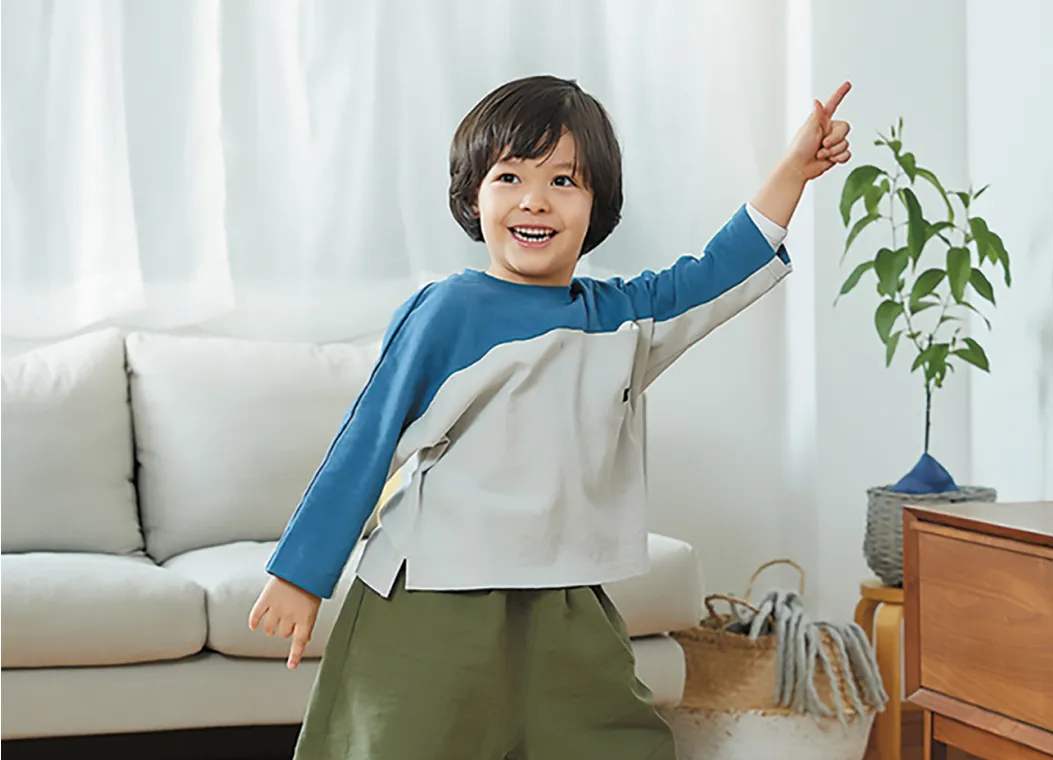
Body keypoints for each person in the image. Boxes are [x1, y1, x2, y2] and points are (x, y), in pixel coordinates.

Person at [249, 74, 852, 759]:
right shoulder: (448, 312)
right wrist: (301, 574)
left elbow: (720, 268)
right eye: (508, 177)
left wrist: (793, 170)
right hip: (434, 597)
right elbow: (367, 439)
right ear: (473, 197)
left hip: (566, 596)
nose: (534, 199)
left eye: (563, 181)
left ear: (598, 206)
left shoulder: (622, 319)